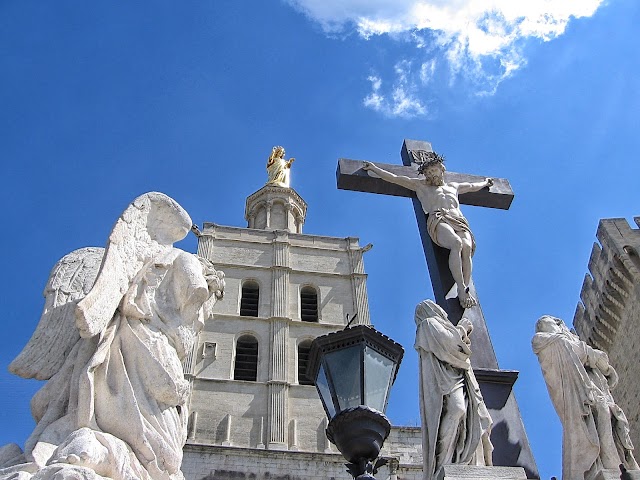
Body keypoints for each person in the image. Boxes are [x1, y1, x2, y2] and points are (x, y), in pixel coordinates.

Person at [2, 192, 225, 480]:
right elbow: (195, 298)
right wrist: (209, 294)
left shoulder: (158, 261)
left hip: (129, 341)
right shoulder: (186, 262)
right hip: (147, 346)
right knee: (163, 446)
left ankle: (100, 447)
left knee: (147, 429)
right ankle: (108, 451)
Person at [363, 154, 492, 308]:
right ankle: (460, 287)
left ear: (441, 169)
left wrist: (485, 182)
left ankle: (466, 287)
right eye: (428, 172)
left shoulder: (453, 186)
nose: (431, 174)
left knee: (467, 247)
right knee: (456, 243)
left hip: (459, 221)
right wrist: (374, 169)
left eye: (433, 170)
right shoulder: (420, 186)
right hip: (439, 219)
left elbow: (472, 186)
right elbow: (395, 178)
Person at [532, 315, 639, 480]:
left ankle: (615, 465)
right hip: (578, 395)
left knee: (609, 417)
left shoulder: (562, 338)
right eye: (556, 324)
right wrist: (595, 356)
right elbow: (565, 345)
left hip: (592, 387)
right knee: (597, 417)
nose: (560, 327)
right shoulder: (544, 338)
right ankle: (605, 466)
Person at [414, 300, 493, 480]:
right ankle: (443, 463)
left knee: (470, 416)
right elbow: (448, 344)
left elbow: (460, 351)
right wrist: (462, 329)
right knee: (457, 409)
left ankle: (464, 458)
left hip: (458, 376)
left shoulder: (440, 325)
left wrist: (461, 337)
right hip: (445, 381)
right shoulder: (428, 323)